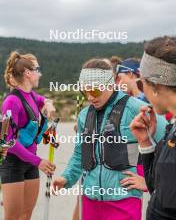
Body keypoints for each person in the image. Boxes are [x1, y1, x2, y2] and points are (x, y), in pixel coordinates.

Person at [52, 58, 167, 220]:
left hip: (124, 199)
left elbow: (169, 147)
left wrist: (150, 181)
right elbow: (80, 154)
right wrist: (66, 178)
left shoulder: (135, 108)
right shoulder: (84, 115)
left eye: (95, 91)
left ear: (111, 83)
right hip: (90, 199)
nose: (90, 97)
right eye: (85, 92)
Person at [0, 51, 56, 220]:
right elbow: (6, 141)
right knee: (13, 217)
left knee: (26, 215)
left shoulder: (30, 94)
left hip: (30, 163)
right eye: (37, 70)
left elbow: (42, 99)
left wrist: (48, 104)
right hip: (13, 164)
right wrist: (39, 162)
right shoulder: (11, 101)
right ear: (27, 73)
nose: (40, 73)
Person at [130, 36, 176, 219]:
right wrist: (146, 142)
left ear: (156, 85)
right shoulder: (172, 126)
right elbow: (157, 187)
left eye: (142, 83)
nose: (142, 91)